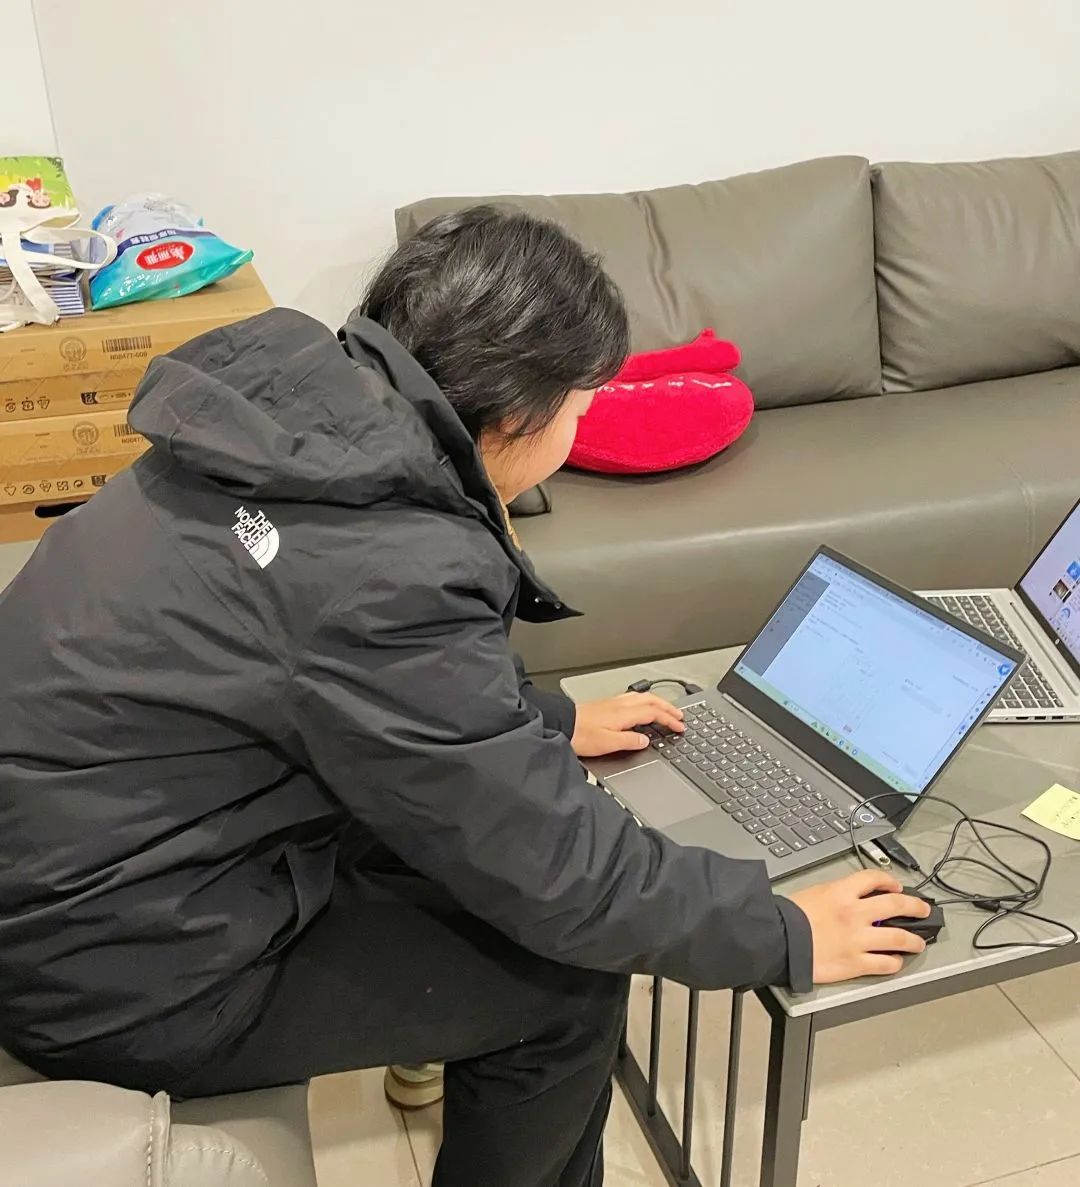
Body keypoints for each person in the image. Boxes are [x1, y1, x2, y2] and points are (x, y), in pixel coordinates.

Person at [0, 206, 930, 1187]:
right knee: (567, 988)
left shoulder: (290, 423)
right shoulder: (381, 566)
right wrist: (781, 930)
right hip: (115, 968)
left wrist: (547, 723)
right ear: (518, 417)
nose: (579, 430)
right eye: (580, 409)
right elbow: (561, 872)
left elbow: (333, 679)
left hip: (90, 863)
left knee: (472, 870)